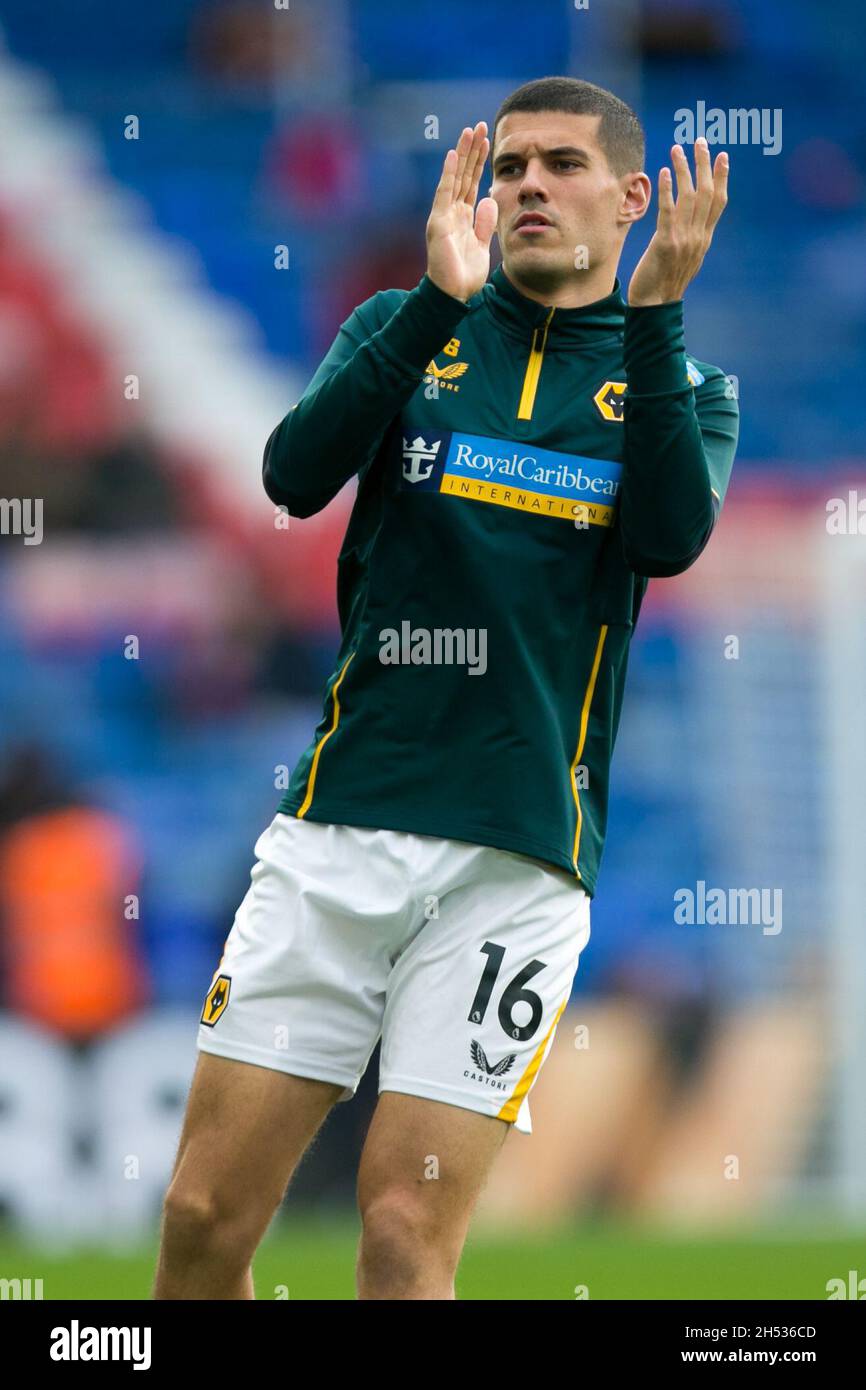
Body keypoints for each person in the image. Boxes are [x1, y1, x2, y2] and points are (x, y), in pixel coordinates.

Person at [154, 75, 737, 1301]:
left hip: (513, 865)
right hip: (340, 830)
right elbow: (291, 476)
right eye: (510, 163)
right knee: (205, 1220)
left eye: (561, 165)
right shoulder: (402, 325)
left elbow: (668, 541)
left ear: (632, 197)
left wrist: (658, 317)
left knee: (404, 1231)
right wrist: (429, 304)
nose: (527, 184)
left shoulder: (681, 387)